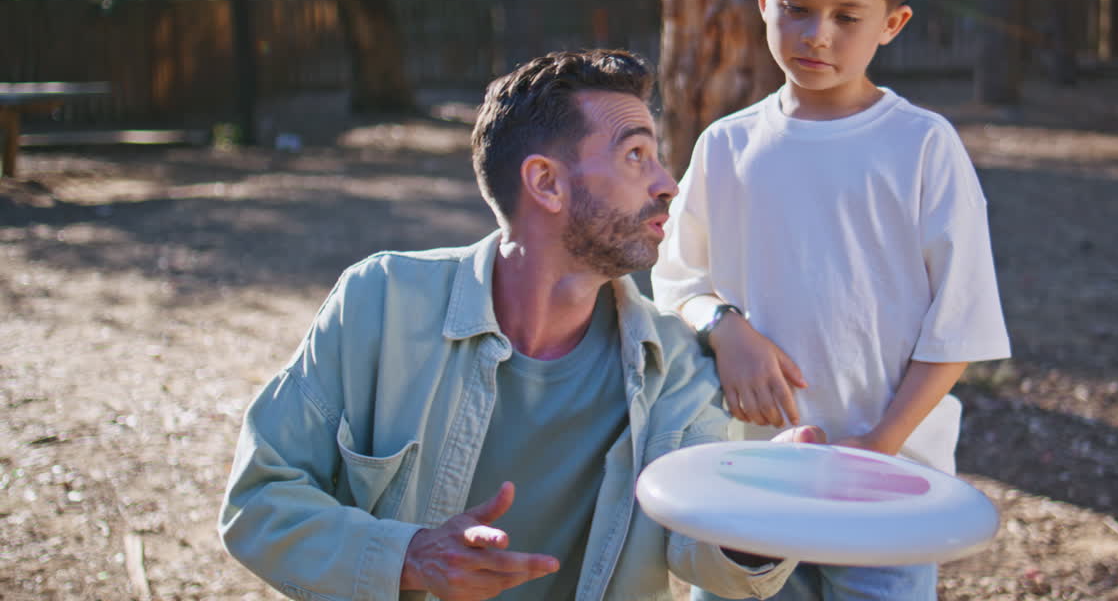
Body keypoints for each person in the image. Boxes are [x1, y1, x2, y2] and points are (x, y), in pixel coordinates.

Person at [218, 49, 809, 601]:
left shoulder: (675, 360)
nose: (667, 184)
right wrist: (410, 556)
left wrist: (757, 516)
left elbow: (698, 548)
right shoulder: (380, 302)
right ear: (546, 183)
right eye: (636, 156)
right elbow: (259, 501)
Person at [651, 0, 1012, 600]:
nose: (817, 34)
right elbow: (676, 279)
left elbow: (960, 326)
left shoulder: (921, 147)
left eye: (847, 16)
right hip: (750, 482)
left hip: (889, 491)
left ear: (893, 22)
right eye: (797, 9)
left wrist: (875, 453)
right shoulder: (727, 147)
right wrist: (726, 329)